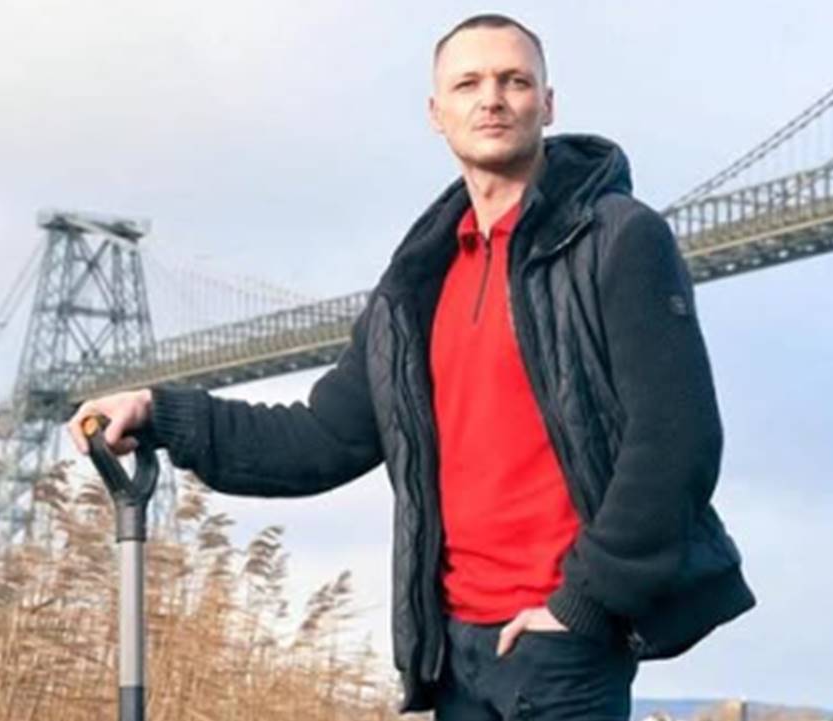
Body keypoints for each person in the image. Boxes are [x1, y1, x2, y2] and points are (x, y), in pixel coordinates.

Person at [67, 13, 755, 720]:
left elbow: (676, 440)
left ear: (548, 104)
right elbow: (320, 437)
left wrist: (584, 603)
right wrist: (161, 413)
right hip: (452, 655)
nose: (492, 99)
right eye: (468, 83)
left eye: (515, 81)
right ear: (436, 113)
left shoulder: (619, 238)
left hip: (564, 650)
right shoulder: (416, 281)